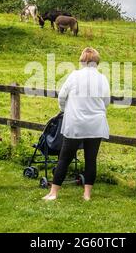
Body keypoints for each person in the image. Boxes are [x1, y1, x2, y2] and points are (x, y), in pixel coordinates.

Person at [43, 47, 110, 201]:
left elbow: (62, 97)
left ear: (82, 61)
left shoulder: (74, 76)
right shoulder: (102, 78)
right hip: (96, 124)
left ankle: (53, 193)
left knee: (64, 158)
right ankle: (87, 194)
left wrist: (65, 109)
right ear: (96, 62)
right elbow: (106, 101)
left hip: (75, 123)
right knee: (91, 160)